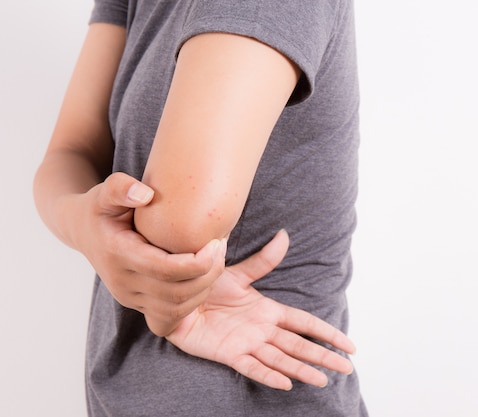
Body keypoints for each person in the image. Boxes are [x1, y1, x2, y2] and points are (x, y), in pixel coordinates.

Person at [33, 0, 367, 416]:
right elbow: (69, 152)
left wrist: (115, 247)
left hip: (249, 395)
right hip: (127, 393)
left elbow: (181, 227)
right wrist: (83, 224)